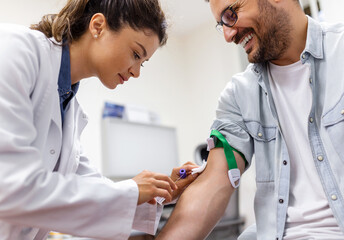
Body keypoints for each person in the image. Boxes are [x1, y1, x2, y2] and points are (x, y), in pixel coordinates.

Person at [156, 0, 344, 239]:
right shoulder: (238, 95)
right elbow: (213, 181)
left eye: (231, 14)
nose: (228, 35)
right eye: (220, 25)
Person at [0, 0, 199, 239]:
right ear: (98, 26)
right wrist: (132, 190)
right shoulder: (15, 49)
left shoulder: (69, 108)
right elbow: (10, 186)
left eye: (142, 63)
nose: (136, 72)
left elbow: (92, 192)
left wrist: (163, 190)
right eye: (136, 54)